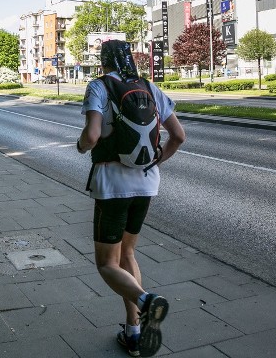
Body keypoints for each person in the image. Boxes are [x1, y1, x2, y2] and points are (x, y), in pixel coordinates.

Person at [76, 40, 186, 358]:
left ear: (103, 61)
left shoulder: (99, 86)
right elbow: (179, 136)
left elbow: (93, 135)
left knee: (106, 264)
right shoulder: (149, 88)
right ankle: (134, 331)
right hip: (147, 184)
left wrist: (82, 146)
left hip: (112, 186)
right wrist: (154, 161)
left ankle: (146, 302)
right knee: (127, 254)